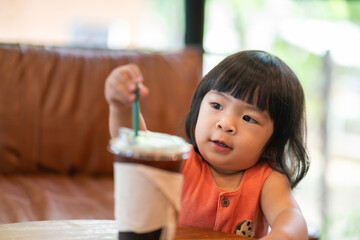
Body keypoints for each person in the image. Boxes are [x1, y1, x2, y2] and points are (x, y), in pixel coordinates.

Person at [105, 50, 310, 240]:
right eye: (217, 105)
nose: (226, 124)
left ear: (273, 143)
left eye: (248, 118)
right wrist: (121, 107)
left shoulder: (267, 180)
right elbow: (137, 142)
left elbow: (291, 217)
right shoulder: (179, 160)